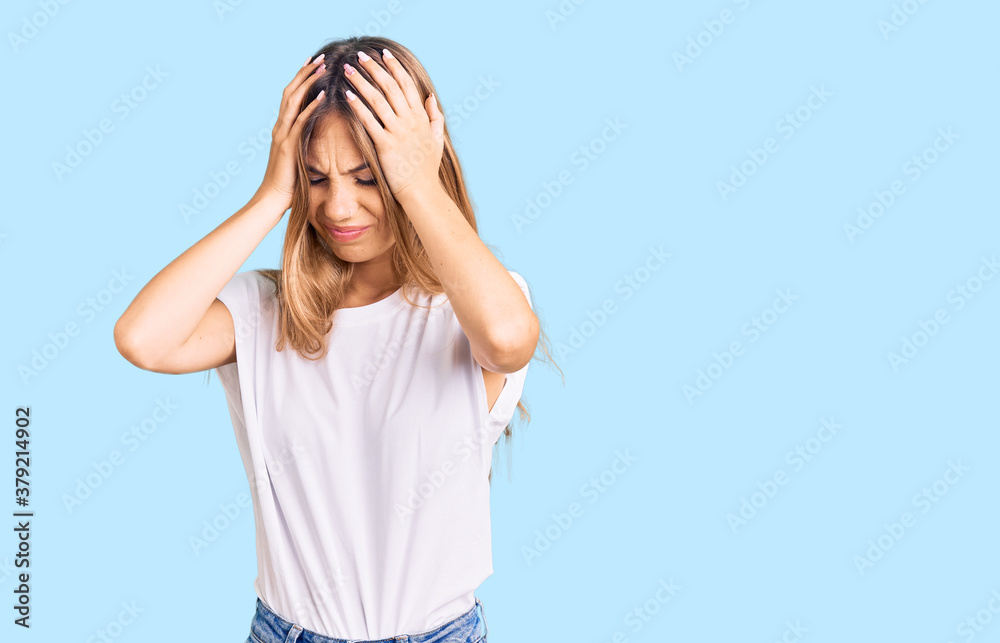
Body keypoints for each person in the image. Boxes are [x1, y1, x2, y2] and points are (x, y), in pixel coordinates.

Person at [113, 35, 562, 642]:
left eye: (367, 177)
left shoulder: (472, 306)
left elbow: (509, 340)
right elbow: (142, 339)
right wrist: (271, 196)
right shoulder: (265, 308)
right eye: (317, 178)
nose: (339, 207)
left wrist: (419, 184)